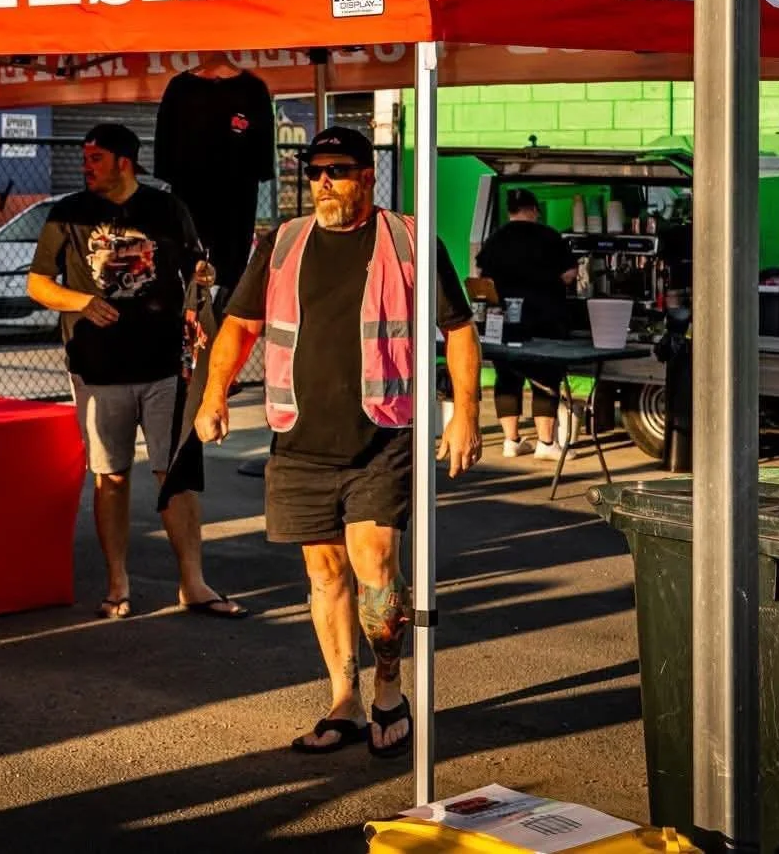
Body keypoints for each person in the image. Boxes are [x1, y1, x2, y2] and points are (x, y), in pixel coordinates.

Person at [195, 126, 483, 760]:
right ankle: (343, 699)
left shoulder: (409, 240)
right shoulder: (282, 243)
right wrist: (214, 395)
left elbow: (458, 330)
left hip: (381, 435)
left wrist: (466, 413)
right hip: (298, 440)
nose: (323, 181)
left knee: (377, 570)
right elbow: (239, 326)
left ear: (367, 176)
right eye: (315, 169)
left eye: (338, 170)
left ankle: (389, 688)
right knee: (324, 575)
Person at [26, 123, 247, 622]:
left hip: (164, 366)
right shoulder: (68, 214)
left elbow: (196, 272)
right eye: (85, 156)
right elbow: (38, 283)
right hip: (96, 371)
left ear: (124, 162)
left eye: (96, 157)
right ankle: (117, 582)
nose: (86, 165)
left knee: (177, 475)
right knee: (112, 477)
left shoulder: (167, 210)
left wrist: (205, 290)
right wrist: (82, 301)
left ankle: (193, 582)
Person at [475, 189, 580, 459]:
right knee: (545, 379)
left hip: (505, 322)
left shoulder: (495, 240)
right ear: (533, 209)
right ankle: (546, 444)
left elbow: (481, 276)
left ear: (511, 210)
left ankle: (511, 441)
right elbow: (569, 275)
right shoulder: (549, 236)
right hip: (545, 320)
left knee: (507, 378)